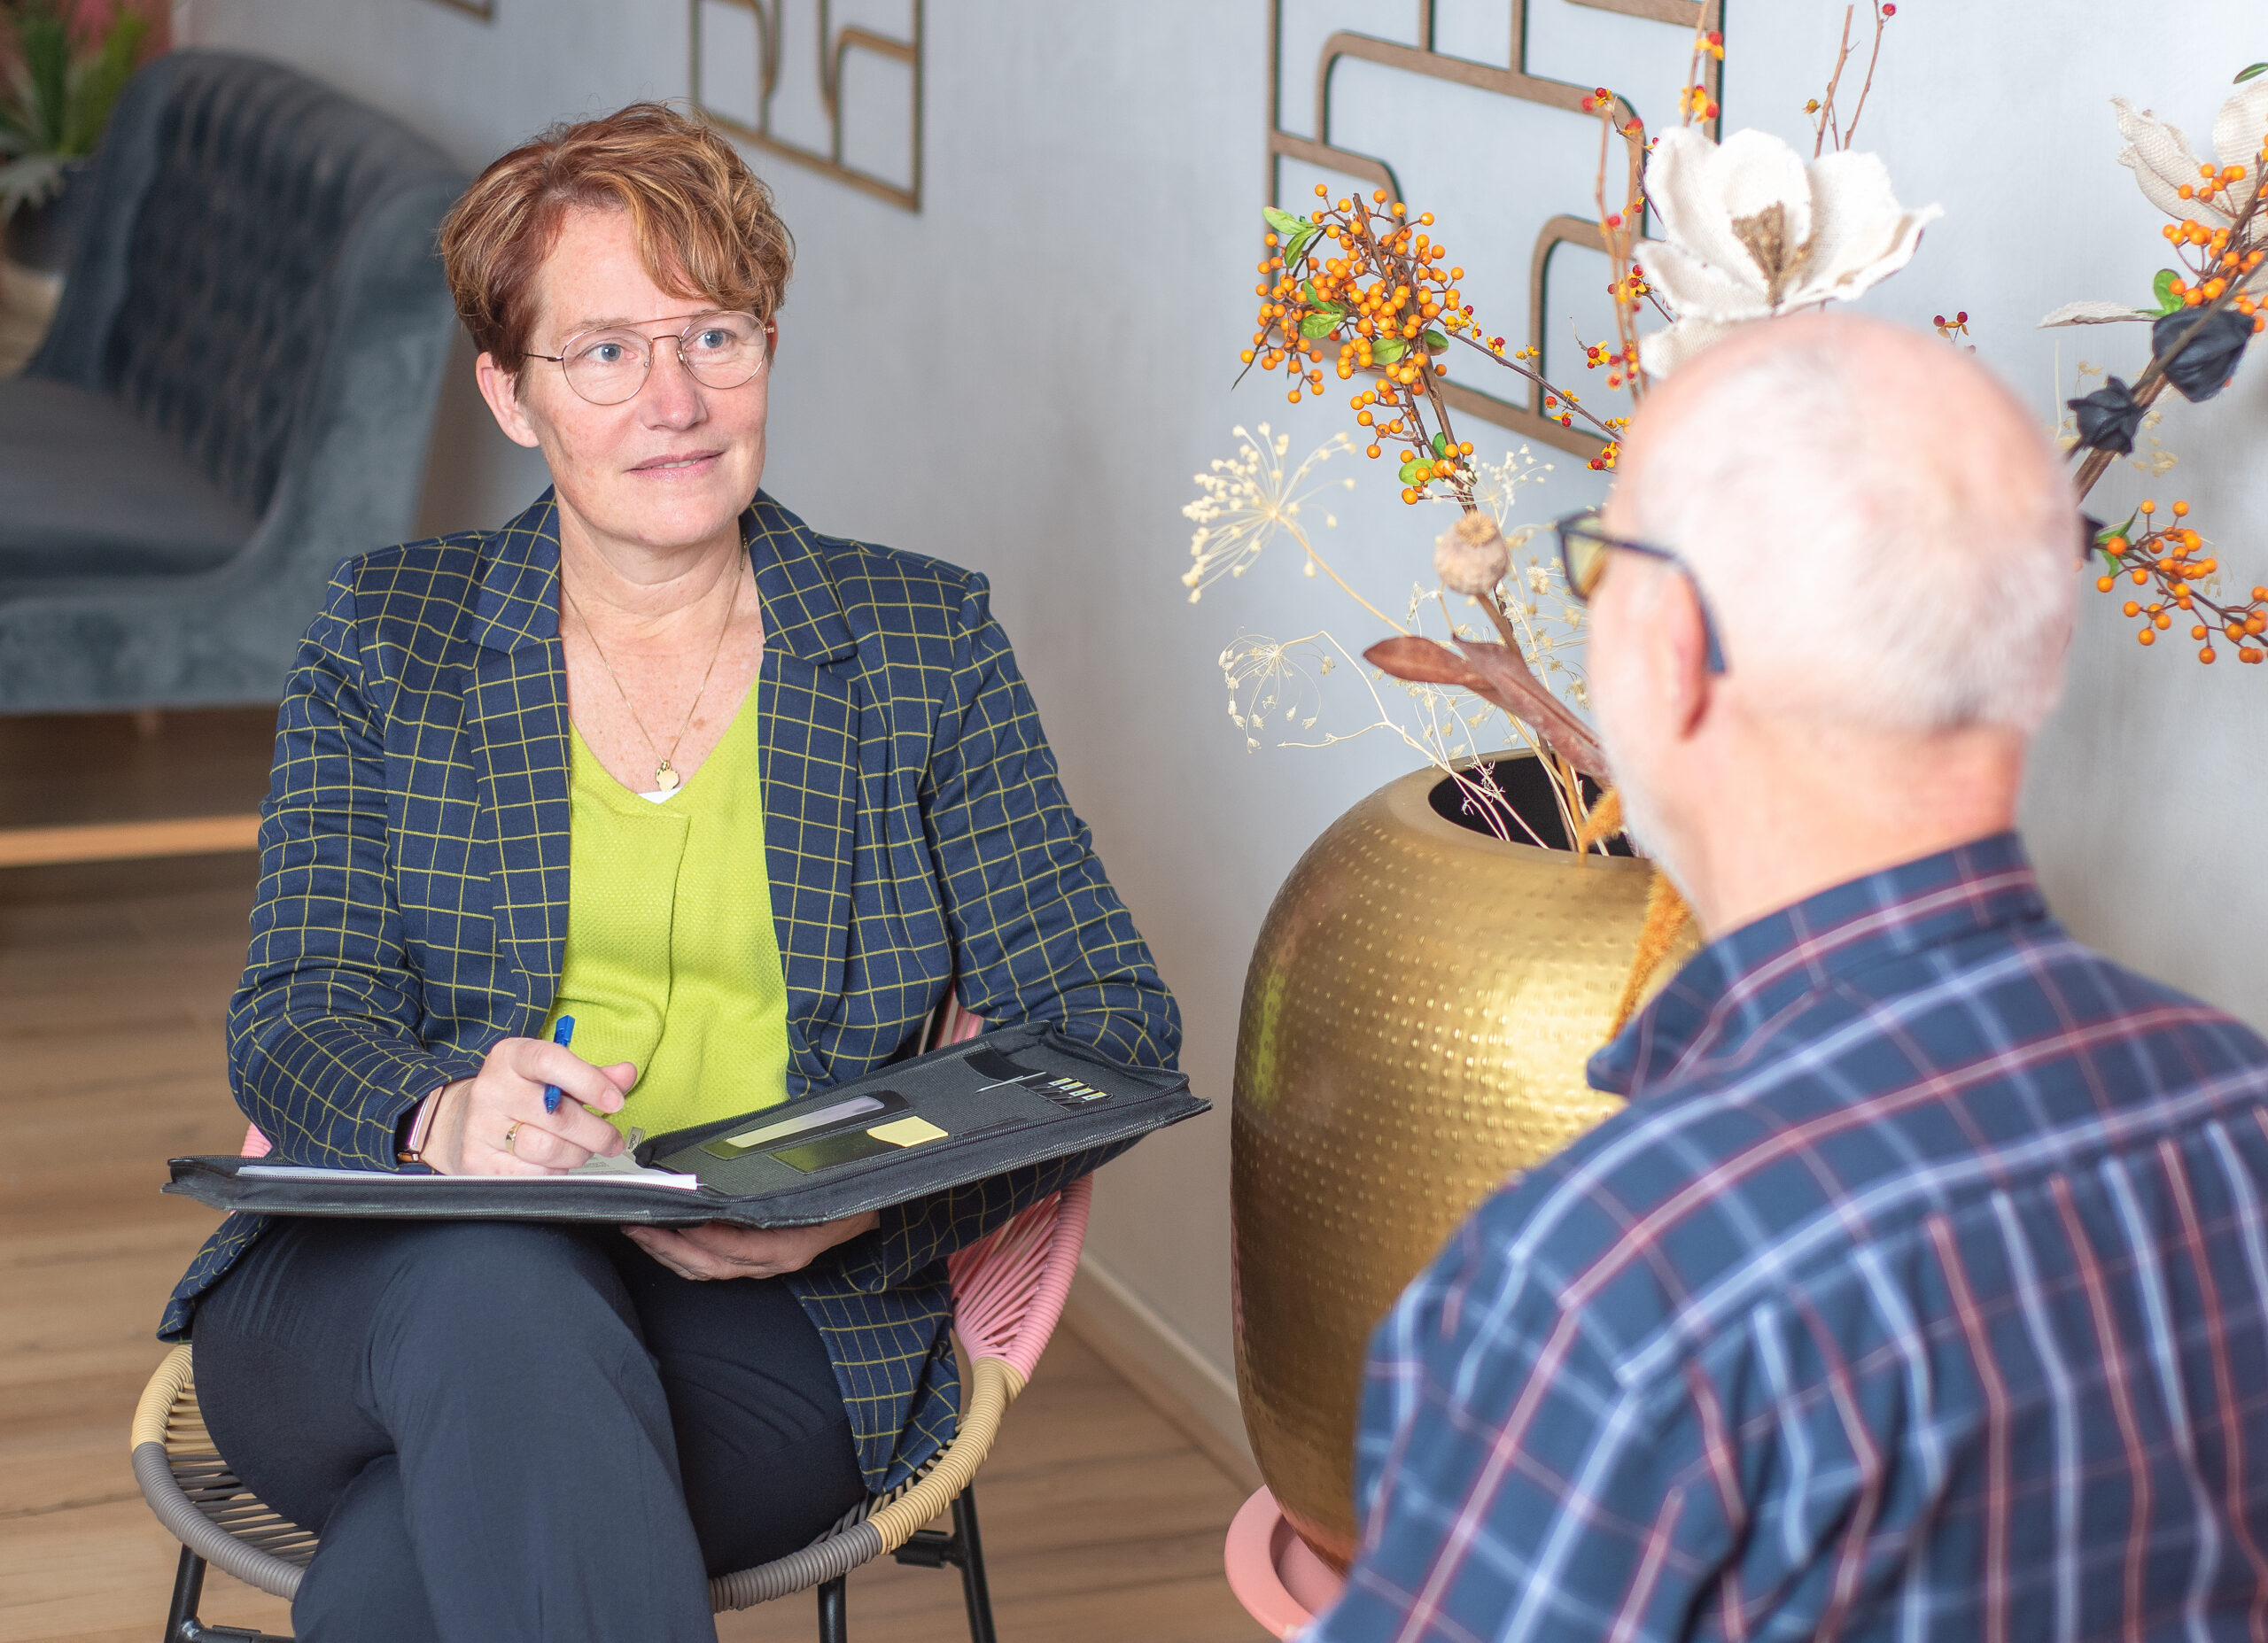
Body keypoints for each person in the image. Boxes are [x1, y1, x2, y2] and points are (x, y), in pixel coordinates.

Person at [160, 103, 1177, 1642]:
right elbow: (298, 1006)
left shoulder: (920, 645)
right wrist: (443, 1119)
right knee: (497, 1283)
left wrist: (859, 1212)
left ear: (769, 346)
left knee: (413, 1571)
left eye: (715, 336)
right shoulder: (390, 633)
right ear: (512, 393)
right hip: (382, 1283)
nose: (675, 401)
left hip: (770, 1323)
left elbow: (1107, 1026)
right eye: (606, 353)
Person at [1306, 312, 2268, 1640]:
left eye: (1603, 564)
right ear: (2040, 660)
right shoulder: (2243, 1112)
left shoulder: (1616, 1286)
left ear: (1675, 650)